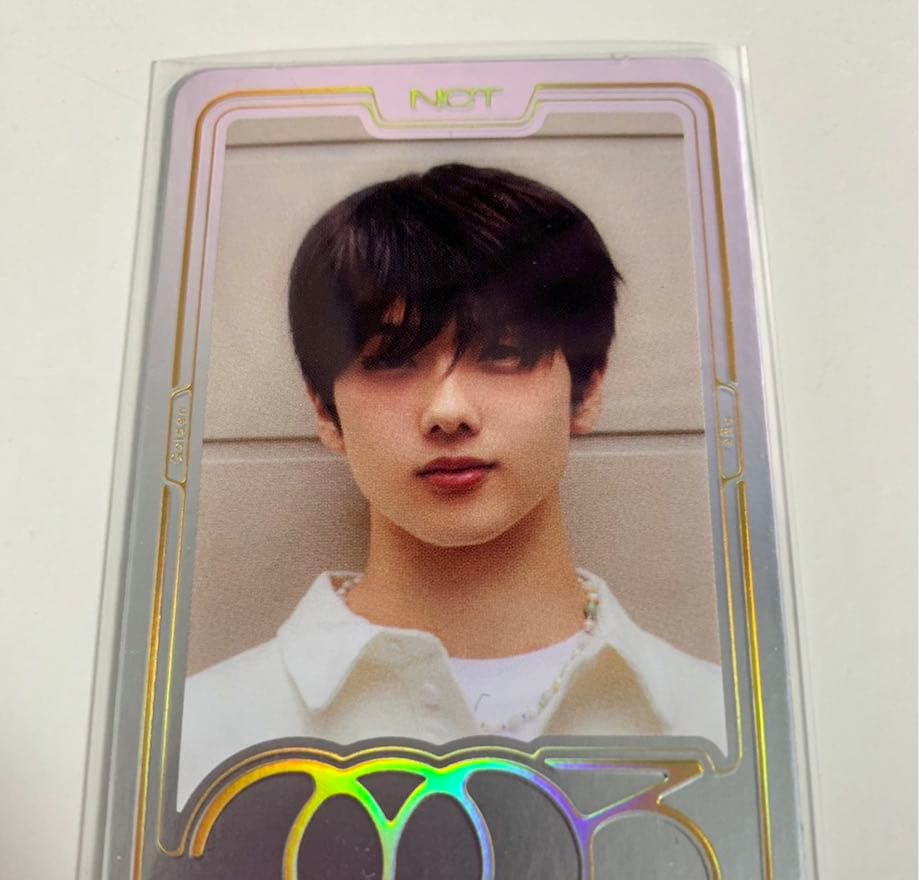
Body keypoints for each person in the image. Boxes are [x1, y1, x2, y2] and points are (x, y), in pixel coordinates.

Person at [177, 163, 725, 808]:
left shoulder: (721, 726)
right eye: (390, 359)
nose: (448, 412)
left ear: (587, 388)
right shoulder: (201, 739)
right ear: (324, 408)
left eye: (504, 352)